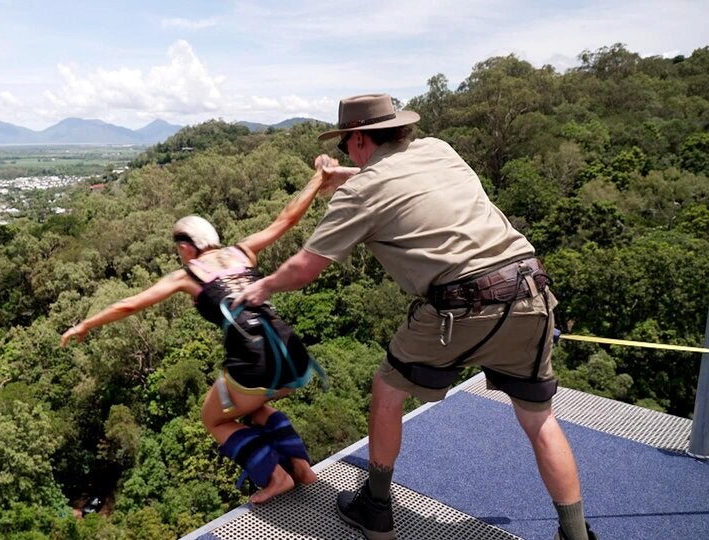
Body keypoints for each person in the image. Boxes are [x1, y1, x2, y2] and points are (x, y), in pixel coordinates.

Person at [232, 93, 595, 540]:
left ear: (360, 139)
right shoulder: (439, 149)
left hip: (460, 306)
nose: (349, 154)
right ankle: (576, 534)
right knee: (538, 418)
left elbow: (306, 268)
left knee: (387, 390)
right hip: (530, 290)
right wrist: (342, 176)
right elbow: (407, 183)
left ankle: (376, 508)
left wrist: (262, 286)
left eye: (347, 145)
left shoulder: (362, 192)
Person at [60, 157, 347, 504]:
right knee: (254, 408)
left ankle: (276, 477)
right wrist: (319, 178)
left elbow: (130, 304)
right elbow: (288, 218)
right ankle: (302, 469)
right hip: (291, 351)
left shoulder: (187, 275)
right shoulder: (244, 250)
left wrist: (86, 324)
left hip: (253, 359)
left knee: (214, 419)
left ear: (185, 247)